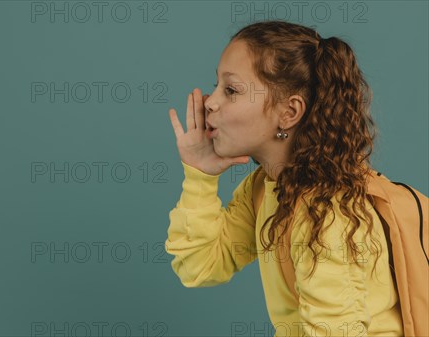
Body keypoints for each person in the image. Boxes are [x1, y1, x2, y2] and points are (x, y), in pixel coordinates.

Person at [165, 20, 404, 337]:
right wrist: (200, 175)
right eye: (217, 85)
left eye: (231, 90)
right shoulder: (265, 188)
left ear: (289, 113)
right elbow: (201, 266)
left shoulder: (327, 211)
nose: (210, 101)